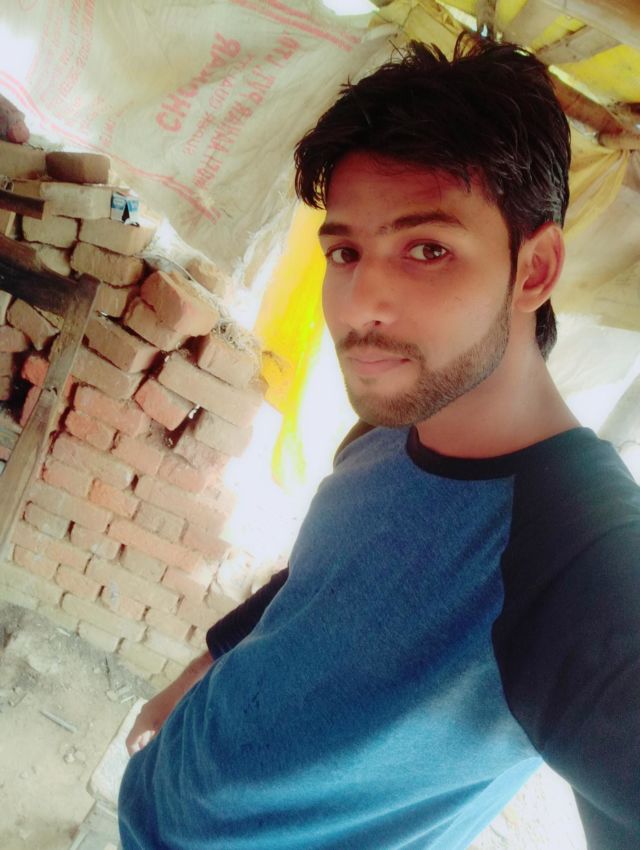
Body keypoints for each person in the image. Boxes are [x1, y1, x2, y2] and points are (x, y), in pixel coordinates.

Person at [119, 36, 640, 849]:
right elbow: (316, 579)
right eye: (345, 252)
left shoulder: (577, 560)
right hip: (159, 795)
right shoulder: (394, 424)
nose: (360, 304)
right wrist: (198, 675)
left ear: (534, 270)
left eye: (428, 249)